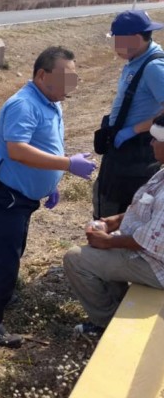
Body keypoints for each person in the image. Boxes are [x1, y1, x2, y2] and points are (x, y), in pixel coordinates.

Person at [0, 46, 98, 348]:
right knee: (3, 262)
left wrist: (50, 183)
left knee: (7, 256)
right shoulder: (23, 105)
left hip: (21, 199)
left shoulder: (51, 102)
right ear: (42, 75)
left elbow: (45, 145)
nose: (71, 85)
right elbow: (18, 150)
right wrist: (67, 164)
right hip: (5, 199)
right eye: (66, 77)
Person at [64, 115, 164, 336]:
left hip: (156, 265)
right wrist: (114, 221)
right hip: (148, 254)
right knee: (100, 256)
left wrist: (109, 241)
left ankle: (107, 325)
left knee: (76, 259)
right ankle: (120, 310)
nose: (150, 143)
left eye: (156, 139)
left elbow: (152, 243)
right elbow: (145, 207)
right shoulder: (162, 172)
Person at [93, 10, 164, 219]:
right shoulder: (137, 60)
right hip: (121, 150)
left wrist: (133, 130)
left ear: (134, 38)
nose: (114, 45)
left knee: (117, 210)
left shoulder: (154, 67)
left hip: (136, 155)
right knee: (105, 198)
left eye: (117, 39)